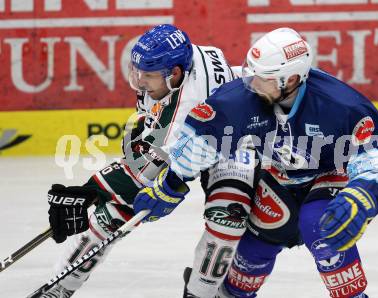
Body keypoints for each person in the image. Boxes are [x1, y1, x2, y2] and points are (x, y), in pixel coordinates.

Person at [133, 27, 378, 297]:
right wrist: (168, 186)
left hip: (328, 174)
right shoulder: (241, 98)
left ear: (292, 79)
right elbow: (200, 142)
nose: (252, 84)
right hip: (279, 177)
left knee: (322, 225)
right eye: (252, 74)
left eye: (264, 78)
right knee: (255, 248)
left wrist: (362, 196)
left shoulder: (341, 105)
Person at [42, 24, 255, 298]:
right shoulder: (177, 67)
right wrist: (103, 192)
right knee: (114, 214)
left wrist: (92, 190)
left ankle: (203, 292)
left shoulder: (188, 105)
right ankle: (60, 287)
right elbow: (149, 150)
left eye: (149, 76)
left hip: (236, 142)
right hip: (194, 136)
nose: (140, 81)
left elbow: (148, 169)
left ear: (175, 73)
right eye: (137, 72)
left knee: (228, 215)